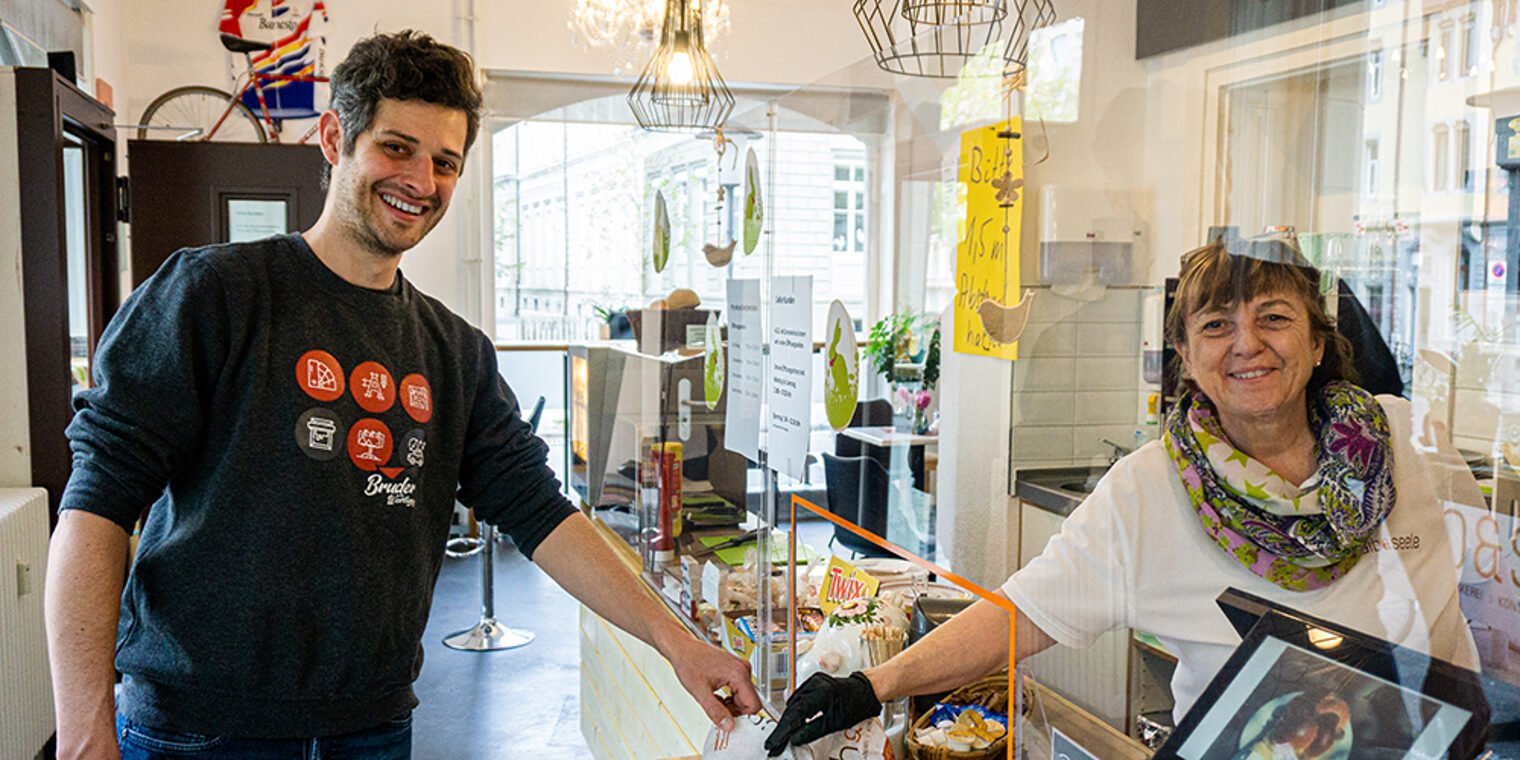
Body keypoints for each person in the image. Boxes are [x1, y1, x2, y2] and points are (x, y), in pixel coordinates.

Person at [45, 30, 759, 760]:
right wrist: (83, 728)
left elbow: (542, 514)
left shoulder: (453, 352)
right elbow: (96, 505)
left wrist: (680, 642)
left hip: (372, 729)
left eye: (445, 162)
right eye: (396, 148)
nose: (422, 180)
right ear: (334, 139)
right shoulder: (213, 294)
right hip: (196, 729)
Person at [766, 236, 1482, 755]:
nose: (1247, 344)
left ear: (1318, 342)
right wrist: (872, 685)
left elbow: (1485, 594)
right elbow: (1022, 614)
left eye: (1274, 317)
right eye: (1216, 326)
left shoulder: (1408, 440)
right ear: (1186, 358)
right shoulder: (1148, 490)